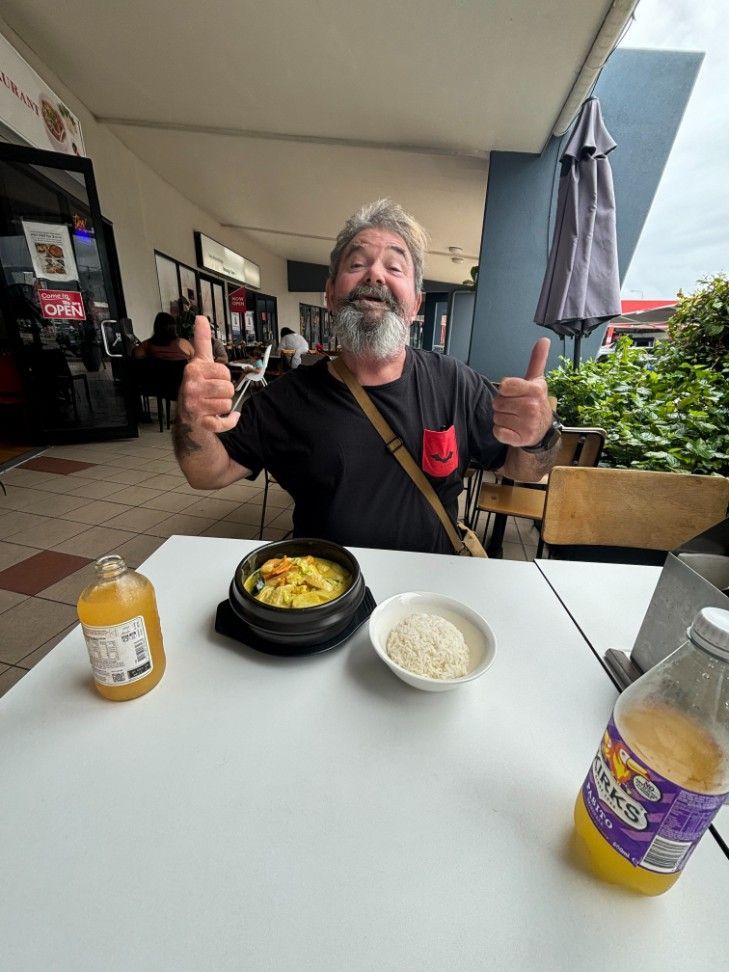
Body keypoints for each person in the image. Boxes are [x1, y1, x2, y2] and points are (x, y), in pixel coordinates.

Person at [174, 199, 559, 554]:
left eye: (394, 267)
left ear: (415, 305)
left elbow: (521, 470)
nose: (374, 274)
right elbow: (207, 474)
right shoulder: (287, 397)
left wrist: (538, 436)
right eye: (357, 264)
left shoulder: (454, 382)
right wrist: (191, 418)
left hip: (431, 589)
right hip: (325, 596)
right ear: (329, 294)